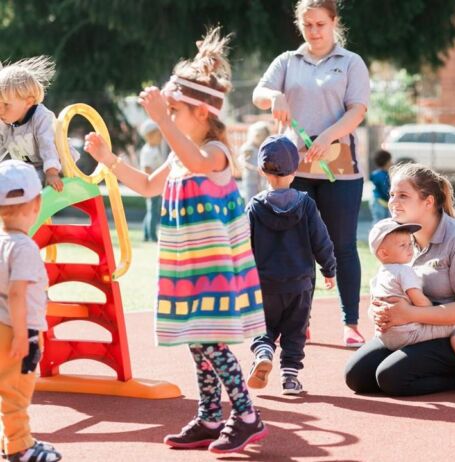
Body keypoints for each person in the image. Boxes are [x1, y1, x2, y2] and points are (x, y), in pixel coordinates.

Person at [84, 28, 268, 454]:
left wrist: (163, 120)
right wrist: (109, 161)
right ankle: (208, 415)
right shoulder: (177, 154)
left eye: (173, 110)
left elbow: (196, 160)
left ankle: (245, 415)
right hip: (188, 265)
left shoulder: (216, 151)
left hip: (215, 268)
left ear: (202, 113)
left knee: (209, 340)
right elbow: (148, 185)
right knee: (194, 339)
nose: (163, 117)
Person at [252, 0, 370, 348]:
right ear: (300, 25)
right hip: (293, 168)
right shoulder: (288, 61)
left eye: (320, 24)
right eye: (308, 25)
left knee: (342, 246)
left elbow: (357, 111)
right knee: (298, 248)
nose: (315, 31)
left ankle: (351, 323)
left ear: (334, 22)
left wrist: (328, 135)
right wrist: (274, 96)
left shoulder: (351, 63)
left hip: (339, 168)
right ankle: (299, 323)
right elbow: (259, 93)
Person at [344, 163, 455, 396]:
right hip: (415, 327)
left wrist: (408, 314)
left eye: (403, 195)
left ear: (428, 201)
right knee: (356, 376)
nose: (394, 202)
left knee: (391, 378)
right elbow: (390, 286)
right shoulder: (401, 239)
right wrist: (379, 312)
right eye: (392, 194)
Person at [246, 135, 336, 396]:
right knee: (295, 331)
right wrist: (329, 268)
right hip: (300, 284)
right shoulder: (306, 204)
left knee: (264, 326)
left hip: (265, 284)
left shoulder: (254, 206)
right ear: (295, 170)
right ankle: (290, 378)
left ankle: (263, 350)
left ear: (263, 171)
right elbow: (321, 240)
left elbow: (242, 244)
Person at [368, 218, 455, 388]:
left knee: (381, 376)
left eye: (409, 244)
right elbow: (418, 299)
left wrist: (378, 314)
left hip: (386, 335)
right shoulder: (403, 271)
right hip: (409, 333)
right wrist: (429, 310)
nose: (409, 249)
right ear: (384, 253)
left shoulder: (378, 275)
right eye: (403, 245)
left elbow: (374, 302)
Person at [0, 161, 62, 462]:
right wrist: (23, 335)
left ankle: (10, 440)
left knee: (5, 387)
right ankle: (20, 447)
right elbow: (16, 292)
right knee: (17, 391)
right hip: (17, 329)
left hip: (2, 326)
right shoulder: (24, 247)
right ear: (36, 203)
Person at [0, 56, 78, 192]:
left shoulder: (41, 117)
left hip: (56, 165)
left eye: (6, 105)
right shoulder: (6, 122)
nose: (1, 110)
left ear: (28, 102)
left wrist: (52, 172)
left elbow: (48, 144)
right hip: (33, 169)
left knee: (22, 183)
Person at [138, 120, 165, 242]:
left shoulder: (153, 149)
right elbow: (147, 169)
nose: (161, 137)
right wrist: (148, 185)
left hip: (156, 185)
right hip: (152, 185)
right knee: (153, 211)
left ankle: (146, 234)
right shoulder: (149, 151)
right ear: (150, 136)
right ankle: (152, 235)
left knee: (151, 210)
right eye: (158, 135)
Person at [239, 121, 272, 200]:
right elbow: (242, 161)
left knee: (263, 198)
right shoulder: (248, 148)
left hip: (263, 179)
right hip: (250, 178)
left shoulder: (265, 147)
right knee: (250, 198)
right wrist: (254, 168)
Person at [369, 149, 392, 222]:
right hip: (379, 201)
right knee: (379, 222)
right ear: (387, 162)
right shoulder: (380, 175)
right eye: (390, 160)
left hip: (382, 201)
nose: (392, 162)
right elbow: (385, 189)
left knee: (384, 222)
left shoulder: (384, 173)